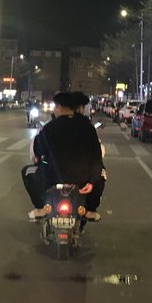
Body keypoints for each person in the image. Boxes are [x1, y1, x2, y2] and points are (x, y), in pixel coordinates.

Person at [22, 92, 105, 222]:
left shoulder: (50, 127)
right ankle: (90, 211)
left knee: (27, 171)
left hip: (52, 178)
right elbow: (96, 157)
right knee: (101, 174)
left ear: (60, 107)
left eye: (55, 107)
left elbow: (37, 150)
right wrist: (91, 181)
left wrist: (43, 161)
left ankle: (40, 208)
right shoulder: (87, 127)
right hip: (82, 179)